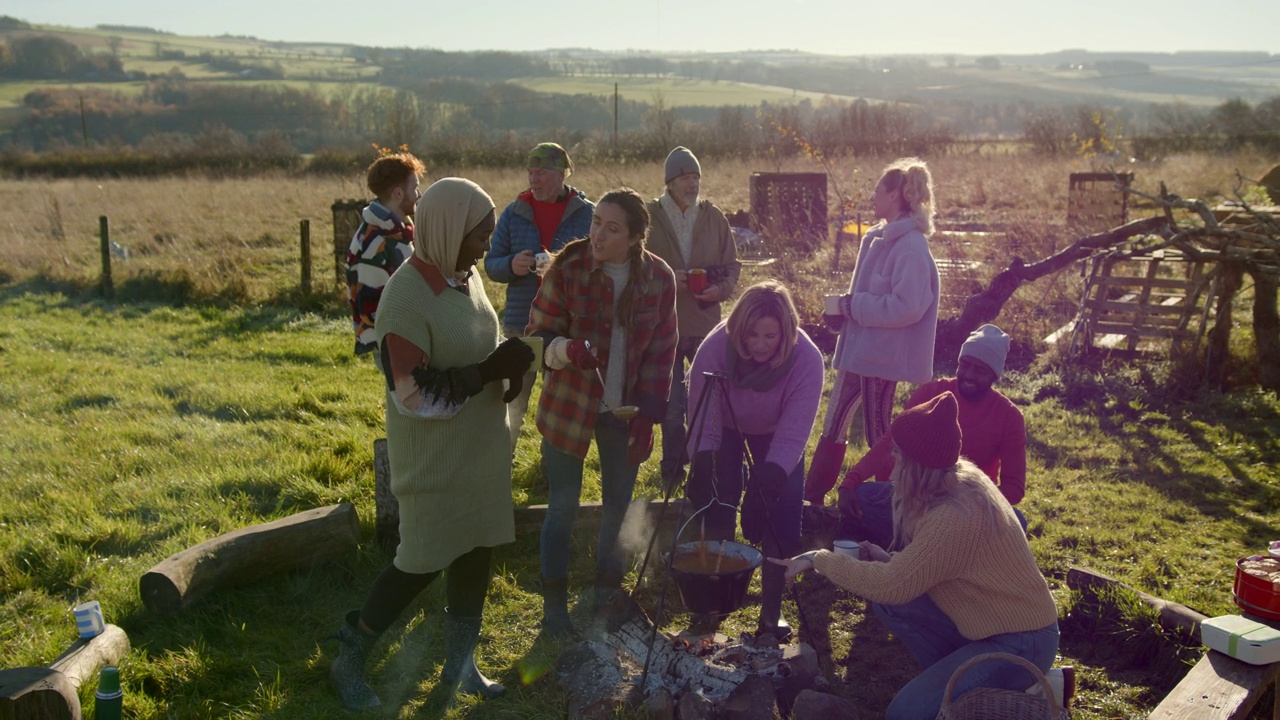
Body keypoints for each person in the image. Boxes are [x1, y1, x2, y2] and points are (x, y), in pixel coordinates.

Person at [327, 178, 535, 711]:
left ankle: (461, 665)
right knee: (417, 564)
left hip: (479, 456)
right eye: (479, 235)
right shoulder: (405, 297)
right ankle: (348, 660)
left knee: (476, 552)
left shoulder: (462, 277)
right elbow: (413, 396)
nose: (487, 246)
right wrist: (489, 369)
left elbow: (474, 345)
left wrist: (513, 360)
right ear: (447, 231)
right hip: (435, 463)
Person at [770, 392, 1059, 720]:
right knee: (890, 604)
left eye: (897, 454)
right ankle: (960, 683)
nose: (891, 460)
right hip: (989, 621)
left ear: (916, 464)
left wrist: (819, 559)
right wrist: (889, 561)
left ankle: (999, 688)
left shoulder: (953, 516)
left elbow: (894, 585)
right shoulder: (960, 478)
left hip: (1021, 641)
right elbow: (916, 576)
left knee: (904, 713)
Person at [526, 188, 677, 638]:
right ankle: (554, 608)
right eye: (595, 222)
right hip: (568, 407)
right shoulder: (568, 267)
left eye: (612, 228)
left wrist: (649, 415)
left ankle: (605, 597)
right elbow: (534, 337)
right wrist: (564, 349)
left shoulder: (659, 279)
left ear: (635, 237)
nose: (598, 234)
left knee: (618, 507)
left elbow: (661, 351)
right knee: (562, 507)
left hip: (624, 410)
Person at [683, 281, 823, 640]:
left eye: (770, 336)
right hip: (724, 424)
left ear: (786, 332)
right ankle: (711, 605)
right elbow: (703, 417)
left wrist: (771, 478)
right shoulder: (714, 349)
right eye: (751, 336)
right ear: (738, 330)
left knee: (784, 513)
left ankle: (770, 613)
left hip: (777, 431)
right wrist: (703, 462)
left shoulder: (806, 361)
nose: (759, 345)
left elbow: (794, 432)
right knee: (718, 498)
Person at [805, 157, 941, 502]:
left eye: (877, 190)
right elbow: (870, 299)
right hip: (859, 352)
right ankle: (813, 498)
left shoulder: (911, 247)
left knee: (878, 432)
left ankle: (893, 501)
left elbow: (909, 306)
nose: (871, 197)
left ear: (895, 195)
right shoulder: (879, 237)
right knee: (834, 423)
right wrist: (844, 315)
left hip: (881, 356)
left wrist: (855, 307)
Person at [825, 324, 1029, 546]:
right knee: (865, 496)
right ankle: (932, 546)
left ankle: (914, 544)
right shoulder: (931, 393)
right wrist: (851, 482)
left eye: (980, 370)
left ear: (994, 375)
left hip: (966, 507)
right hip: (915, 497)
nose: (969, 375)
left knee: (1016, 522)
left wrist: (968, 502)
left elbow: (1014, 487)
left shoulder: (1009, 417)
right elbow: (891, 443)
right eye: (965, 365)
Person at [484, 143, 594, 451]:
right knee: (512, 401)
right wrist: (511, 265)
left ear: (561, 174)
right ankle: (499, 464)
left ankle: (552, 470)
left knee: (559, 403)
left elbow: (599, 261)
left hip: (566, 326)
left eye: (542, 172)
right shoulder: (514, 213)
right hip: (522, 324)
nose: (535, 179)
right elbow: (491, 263)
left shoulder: (587, 213)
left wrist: (562, 266)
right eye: (531, 172)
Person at [645, 146, 742, 487]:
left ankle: (708, 470)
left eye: (696, 178)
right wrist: (670, 277)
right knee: (672, 408)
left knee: (707, 402)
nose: (693, 184)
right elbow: (636, 266)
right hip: (664, 326)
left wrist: (722, 290)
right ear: (670, 182)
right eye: (686, 178)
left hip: (705, 324)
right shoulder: (650, 217)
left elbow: (732, 266)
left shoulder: (714, 216)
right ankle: (673, 471)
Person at [345, 152, 425, 363]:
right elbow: (372, 304)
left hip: (407, 337)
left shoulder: (398, 231)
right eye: (415, 187)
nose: (419, 194)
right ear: (398, 193)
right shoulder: (375, 240)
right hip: (392, 343)